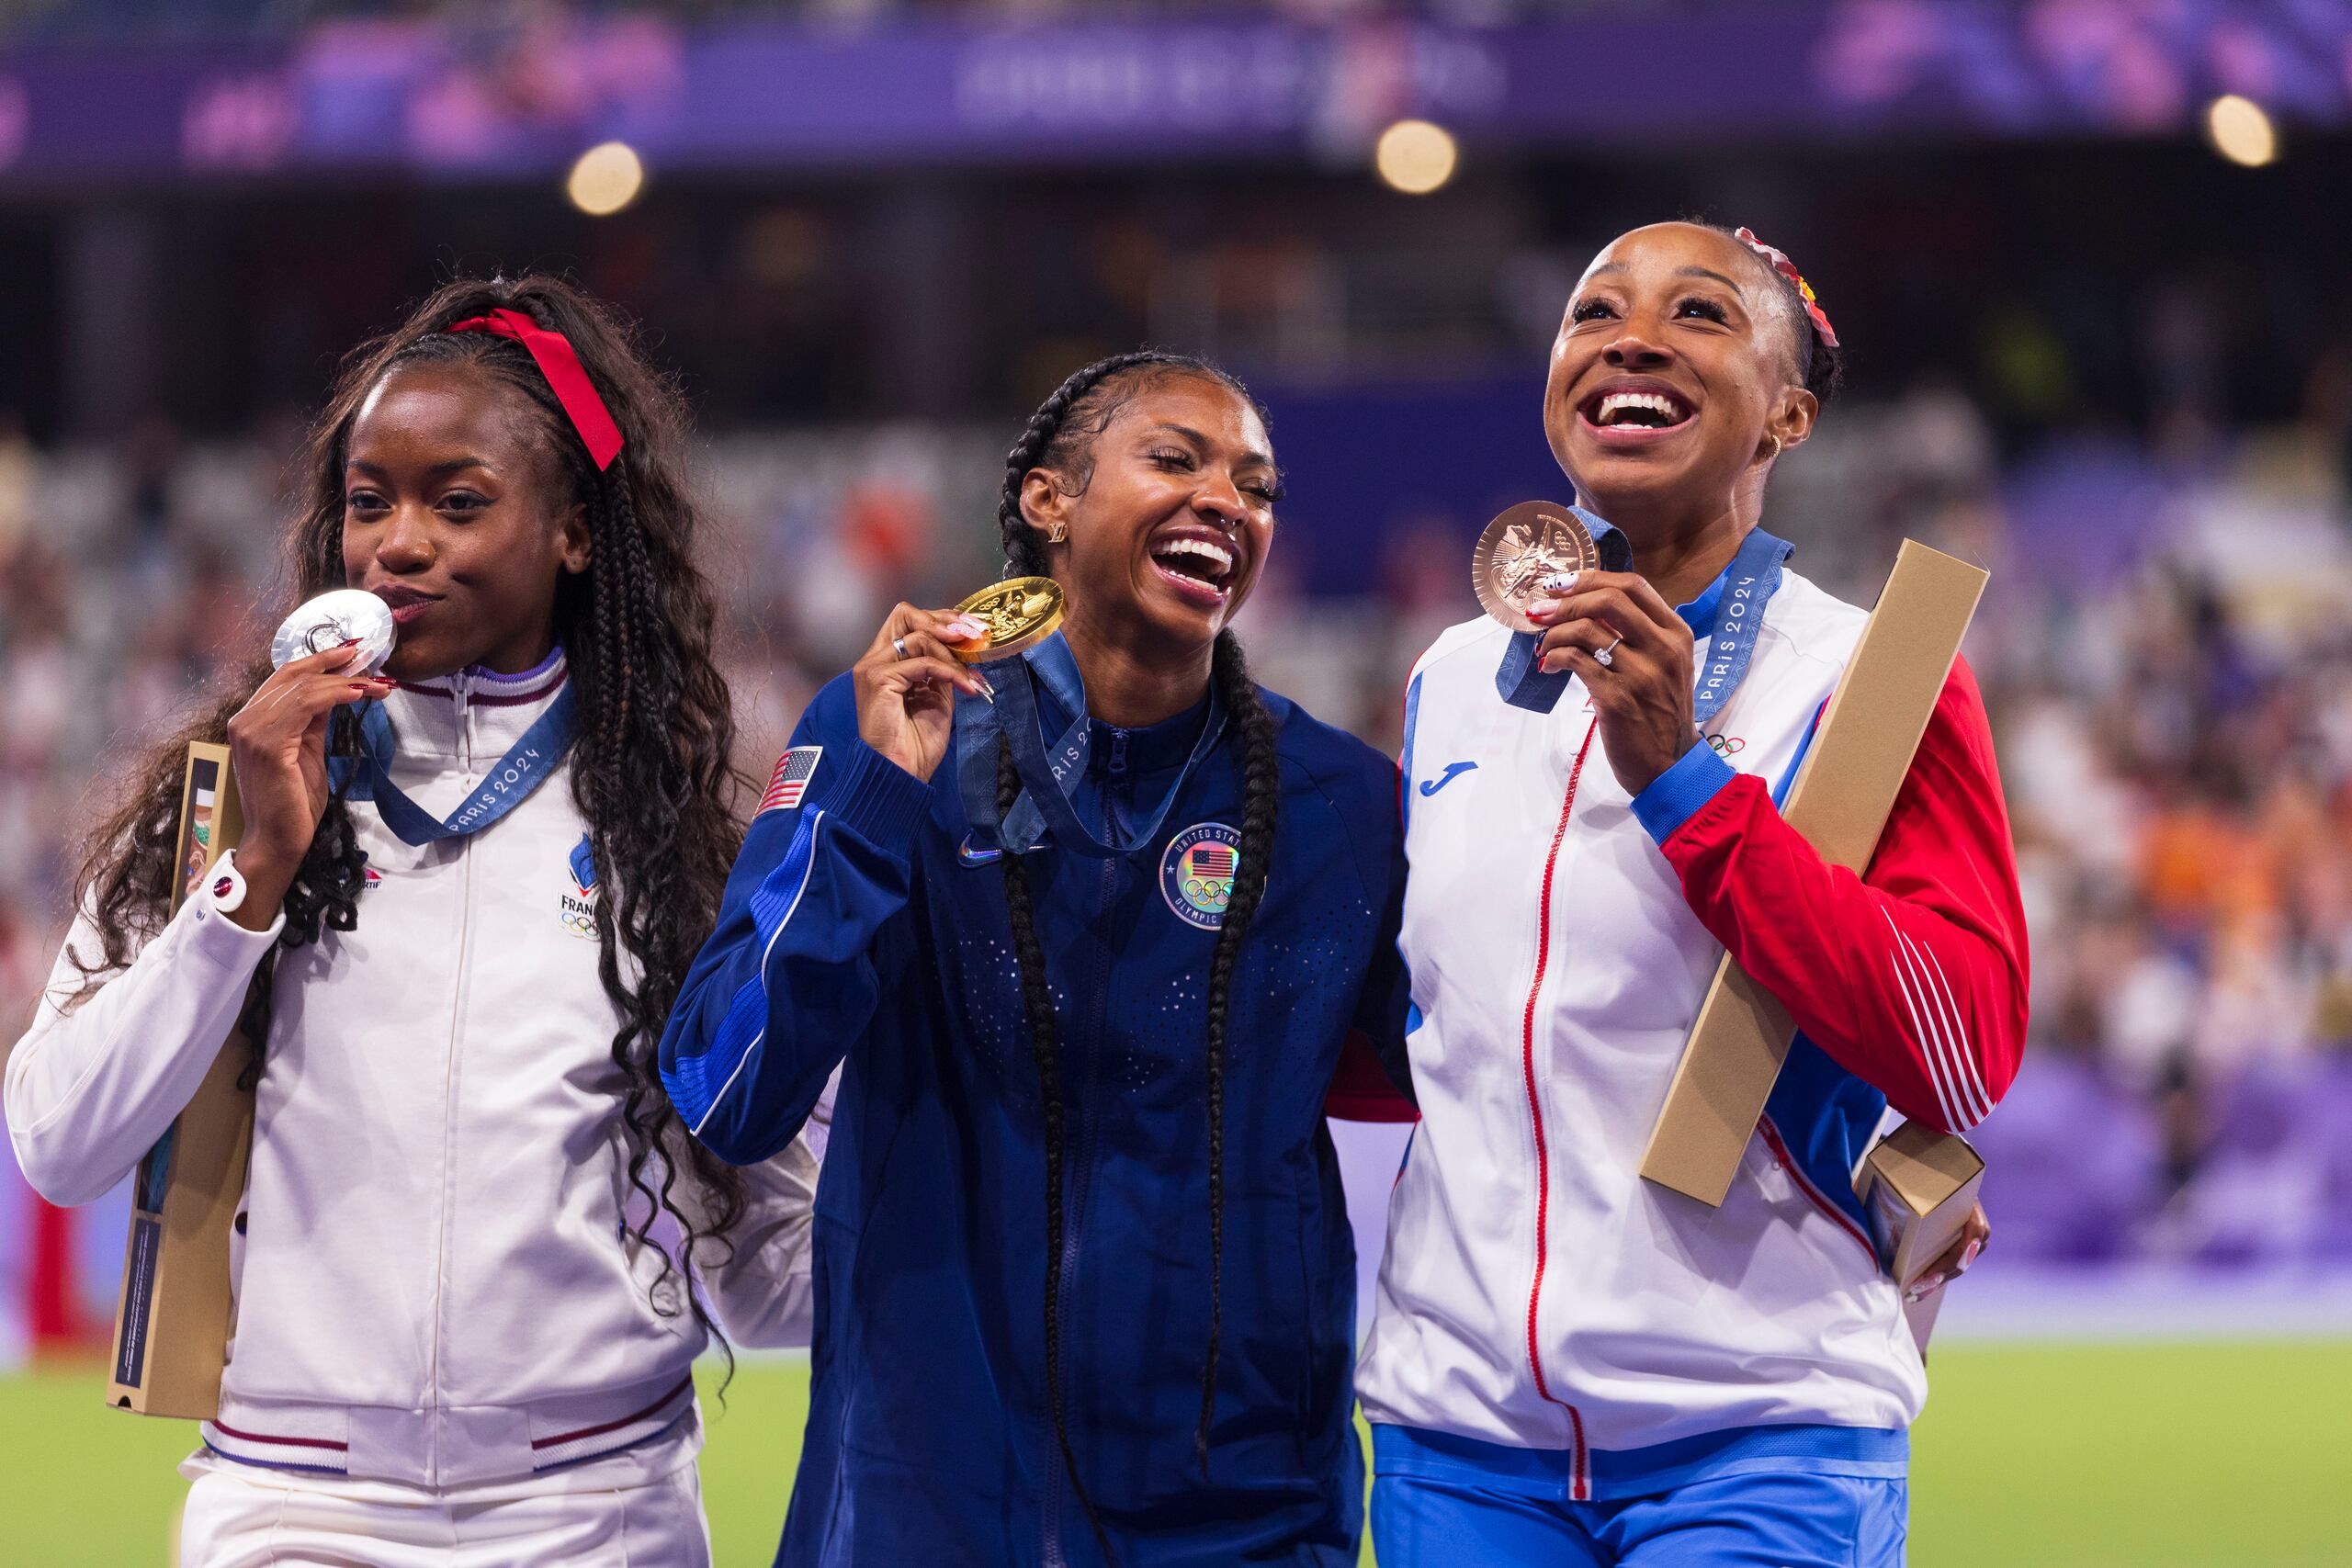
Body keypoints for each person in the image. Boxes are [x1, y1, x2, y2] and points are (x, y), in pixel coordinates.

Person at [6, 277, 821, 1566]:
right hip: (292, 1509)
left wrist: (952, 1194)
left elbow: (766, 1276)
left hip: (598, 1511)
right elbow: (57, 1142)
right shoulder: (224, 797)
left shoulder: (674, 844)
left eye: (458, 502)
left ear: (573, 532)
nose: (398, 542)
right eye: (369, 501)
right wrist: (248, 885)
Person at [659, 351, 1412, 1566]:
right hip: (921, 1510)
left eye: (1257, 486)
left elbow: (1485, 1091)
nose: (1228, 499)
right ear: (1050, 501)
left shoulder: (1343, 808)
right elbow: (729, 1089)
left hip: (1242, 1522)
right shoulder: (893, 737)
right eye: (1176, 457)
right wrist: (870, 801)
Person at [1356, 222, 2027, 1565]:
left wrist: (1692, 793)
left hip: (1760, 1423)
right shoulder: (1445, 677)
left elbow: (1964, 1044)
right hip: (1459, 1436)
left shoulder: (1870, 681)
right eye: (1594, 310)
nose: (1633, 337)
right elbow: (1434, 1028)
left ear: (1790, 412)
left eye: (1702, 315)